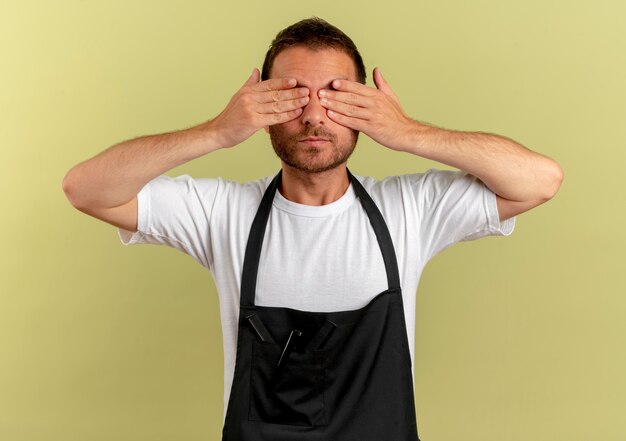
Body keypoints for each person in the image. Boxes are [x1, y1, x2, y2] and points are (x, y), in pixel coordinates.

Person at [63, 17, 562, 441]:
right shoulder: (222, 212)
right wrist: (216, 130)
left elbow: (540, 181)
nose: (315, 116)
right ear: (263, 106)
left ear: (366, 109)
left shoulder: (409, 209)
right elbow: (85, 189)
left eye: (336, 97)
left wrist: (408, 132)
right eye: (292, 97)